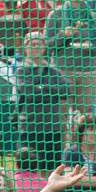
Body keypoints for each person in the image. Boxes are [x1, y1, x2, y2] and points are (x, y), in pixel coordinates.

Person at [15, 31, 70, 171]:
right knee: (28, 170)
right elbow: (29, 92)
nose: (35, 47)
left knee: (52, 170)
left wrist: (42, 88)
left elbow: (65, 91)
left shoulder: (53, 70)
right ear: (25, 48)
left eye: (38, 44)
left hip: (52, 127)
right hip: (30, 127)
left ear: (44, 47)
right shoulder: (22, 70)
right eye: (32, 44)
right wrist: (51, 90)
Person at [45, 0, 96, 118]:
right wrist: (63, 35)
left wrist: (91, 47)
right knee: (61, 117)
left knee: (85, 118)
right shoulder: (56, 15)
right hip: (62, 72)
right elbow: (47, 46)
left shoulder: (94, 17)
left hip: (87, 73)